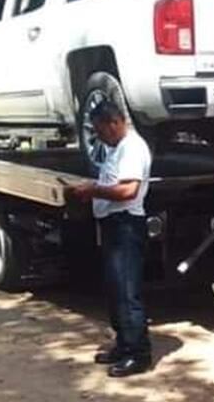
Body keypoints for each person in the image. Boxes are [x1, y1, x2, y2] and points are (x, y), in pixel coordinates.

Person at [63, 100, 153, 377]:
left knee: (127, 290)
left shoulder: (133, 148)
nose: (98, 136)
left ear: (114, 123)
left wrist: (93, 190)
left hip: (126, 223)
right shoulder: (117, 148)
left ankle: (138, 353)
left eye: (100, 129)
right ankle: (124, 344)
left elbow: (128, 191)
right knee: (115, 289)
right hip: (113, 224)